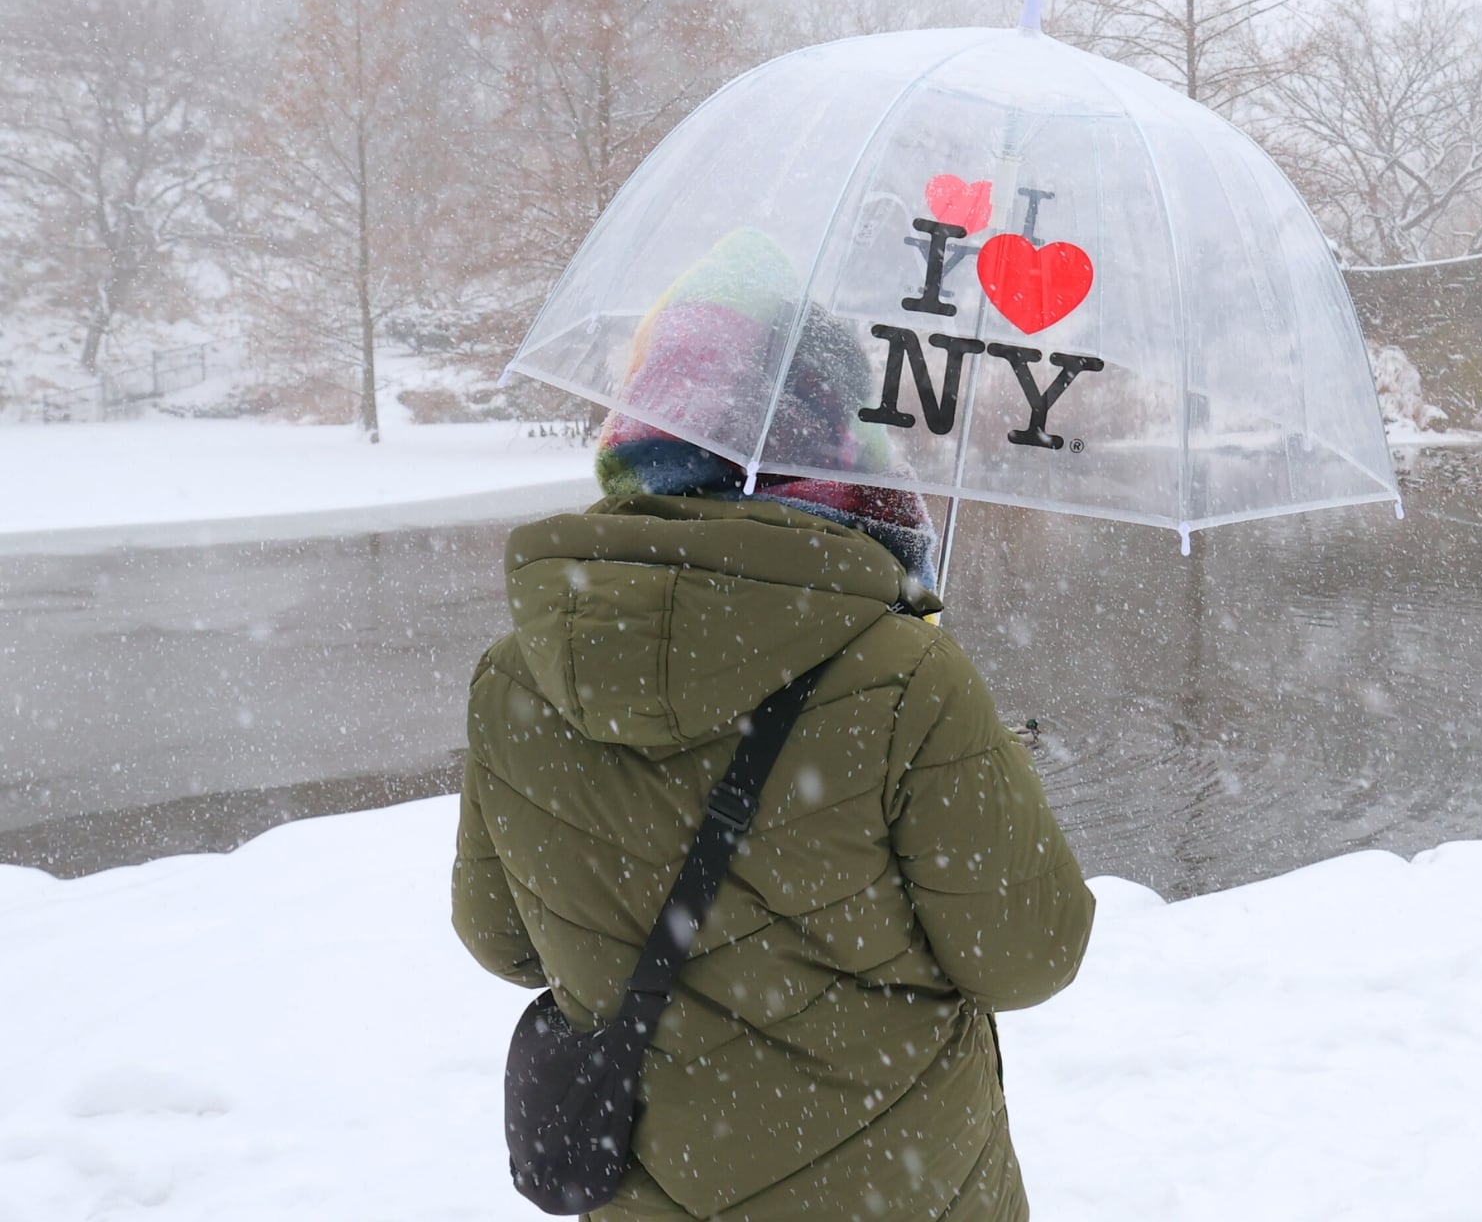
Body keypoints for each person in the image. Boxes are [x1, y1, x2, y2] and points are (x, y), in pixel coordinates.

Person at [452, 232, 1095, 1220]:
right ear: (832, 431)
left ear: (642, 425)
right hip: (899, 1189)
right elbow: (1028, 951)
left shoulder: (516, 675)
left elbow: (504, 942)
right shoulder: (900, 674)